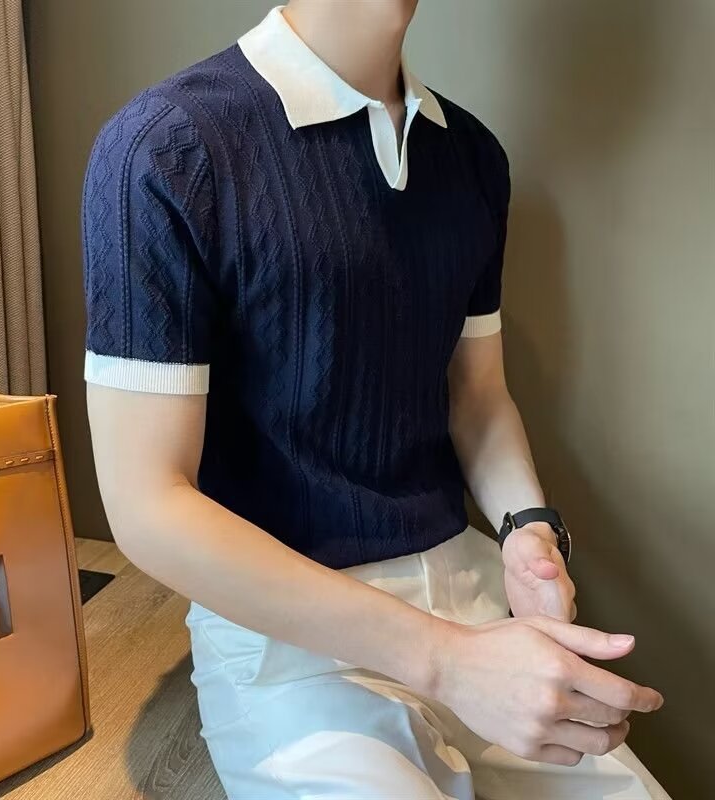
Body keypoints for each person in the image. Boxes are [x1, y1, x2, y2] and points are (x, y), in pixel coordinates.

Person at [82, 2, 670, 797]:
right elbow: (147, 504)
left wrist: (528, 530)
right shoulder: (167, 149)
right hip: (290, 643)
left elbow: (477, 396)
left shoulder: (470, 156)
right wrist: (444, 662)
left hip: (473, 598)